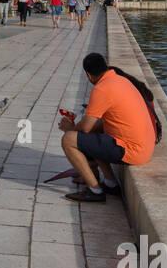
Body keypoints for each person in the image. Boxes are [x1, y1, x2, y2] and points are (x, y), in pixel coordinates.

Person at [58, 52, 160, 202]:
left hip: (132, 150)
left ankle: (95, 190)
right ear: (105, 67)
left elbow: (85, 127)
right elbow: (93, 127)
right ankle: (110, 183)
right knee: (95, 132)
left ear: (88, 75)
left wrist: (70, 129)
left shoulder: (102, 88)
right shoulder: (121, 80)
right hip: (144, 147)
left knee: (68, 140)